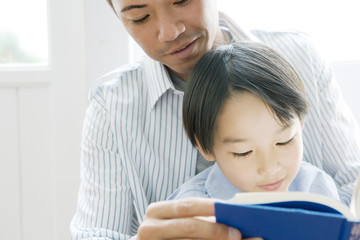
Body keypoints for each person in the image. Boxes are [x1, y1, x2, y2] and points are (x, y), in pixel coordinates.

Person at [70, 0, 360, 239]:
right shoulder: (111, 106)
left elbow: (351, 186)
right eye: (140, 17)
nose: (169, 32)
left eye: (181, 0)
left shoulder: (301, 55)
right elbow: (94, 233)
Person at [169, 42, 339, 201]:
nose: (270, 168)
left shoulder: (317, 186)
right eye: (244, 152)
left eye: (284, 141)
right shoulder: (190, 209)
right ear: (205, 147)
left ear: (300, 125)